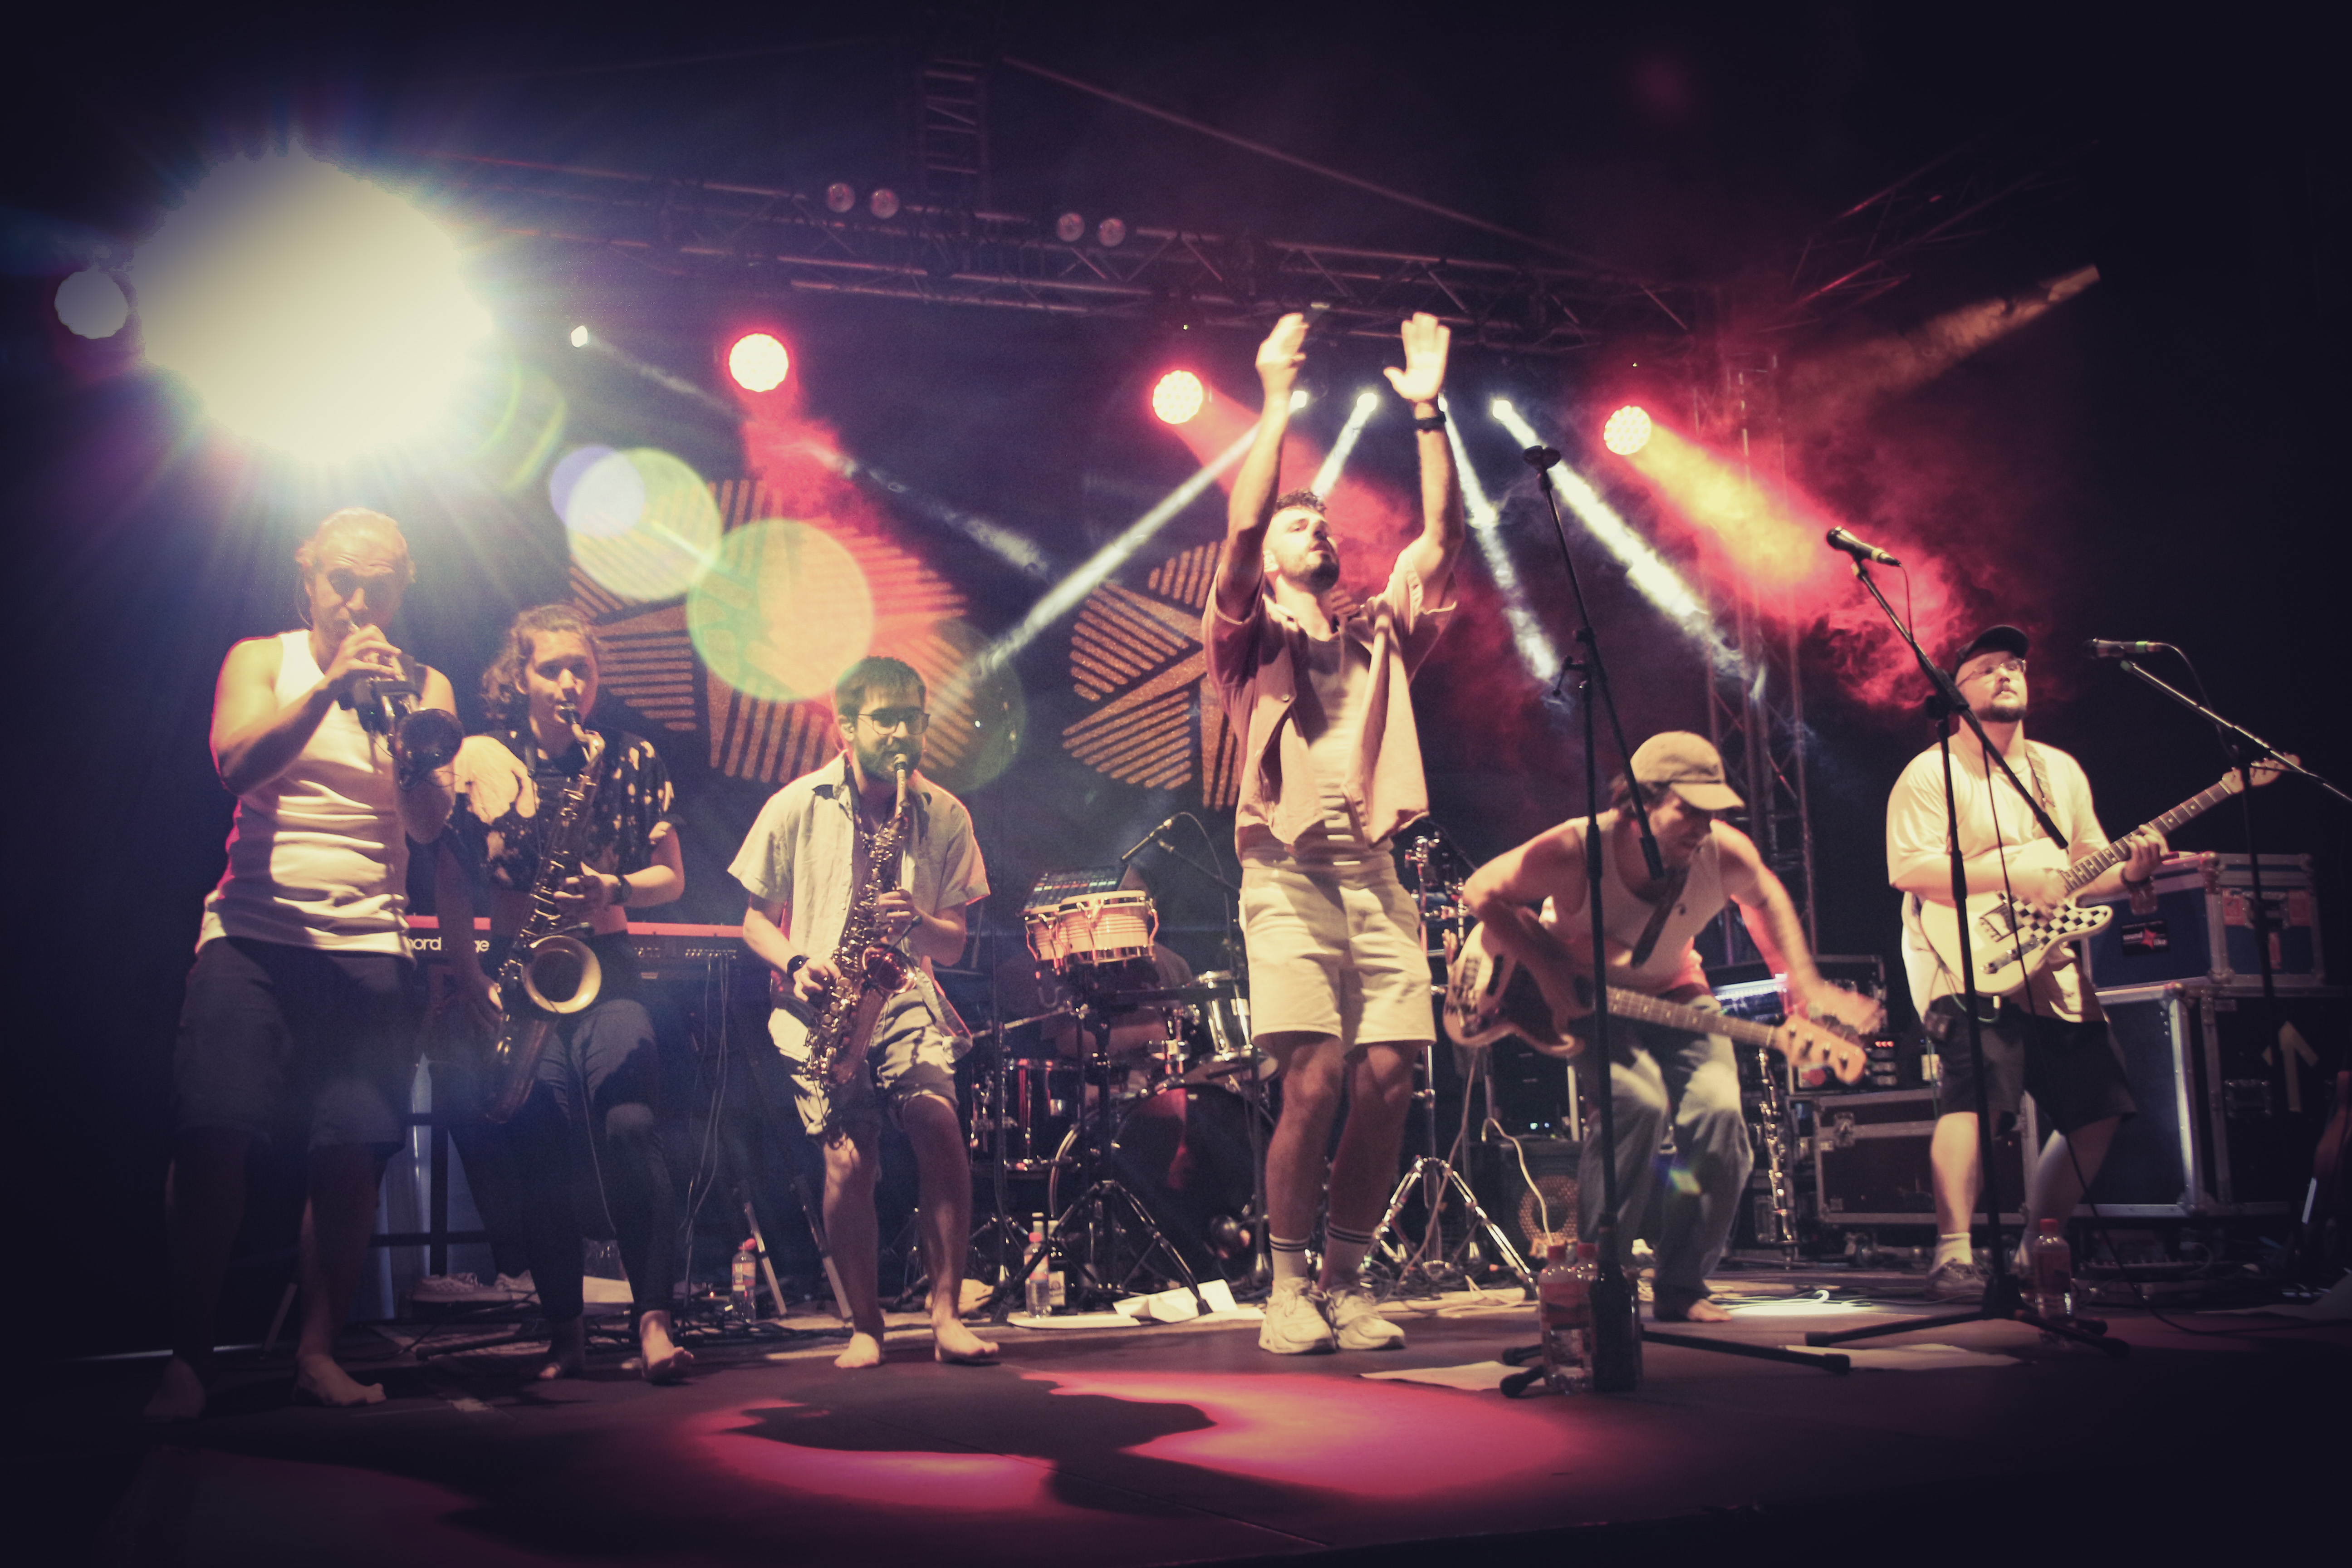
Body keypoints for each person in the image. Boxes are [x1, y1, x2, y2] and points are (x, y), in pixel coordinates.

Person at [146, 508, 457, 1421]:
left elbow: (430, 827)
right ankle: (187, 1359)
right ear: (311, 582)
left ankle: (318, 1353)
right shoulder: (262, 659)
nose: (359, 601)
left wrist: (406, 745)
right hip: (251, 936)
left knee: (351, 1154)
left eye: (379, 586)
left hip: (370, 944)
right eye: (342, 582)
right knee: (213, 1138)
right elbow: (235, 764)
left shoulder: (424, 683)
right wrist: (328, 689)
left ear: (401, 590)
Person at [1203, 311, 1464, 1354]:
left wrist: (1428, 412)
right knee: (1311, 1076)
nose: (1319, 531)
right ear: (1270, 563)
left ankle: (1348, 1282)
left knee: (1391, 1080)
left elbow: (1443, 541)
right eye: (1297, 527)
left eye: (1324, 524)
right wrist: (1273, 401)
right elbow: (1239, 531)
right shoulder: (1244, 636)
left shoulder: (1378, 630)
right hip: (1286, 877)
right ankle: (1285, 1288)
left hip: (1378, 876)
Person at [1462, 733, 1877, 1321]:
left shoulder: (1723, 852)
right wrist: (1549, 969)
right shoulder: (1576, 848)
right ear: (1638, 804)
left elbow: (1765, 898)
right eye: (1690, 810)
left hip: (1675, 991)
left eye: (1713, 811)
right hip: (1586, 998)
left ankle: (1681, 1285)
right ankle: (1599, 1277)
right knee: (1638, 1103)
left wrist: (1805, 991)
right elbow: (1481, 890)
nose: (1704, 826)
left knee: (1720, 1114)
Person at [436, 604, 690, 1380]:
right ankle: (565, 1335)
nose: (570, 682)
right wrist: (470, 972)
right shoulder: (482, 760)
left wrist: (614, 886)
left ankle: (654, 1322)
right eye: (552, 668)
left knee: (632, 1125)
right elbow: (451, 876)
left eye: (582, 668)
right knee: (539, 1149)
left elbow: (672, 877)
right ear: (521, 678)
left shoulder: (629, 757)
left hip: (604, 963)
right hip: (520, 969)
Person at [731, 656, 997, 1367]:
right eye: (886, 719)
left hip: (904, 991)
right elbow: (754, 921)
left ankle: (946, 1316)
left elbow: (954, 941)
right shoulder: (795, 804)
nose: (903, 733)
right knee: (850, 1162)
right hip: (822, 1003)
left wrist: (917, 922)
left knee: (939, 1126)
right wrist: (796, 964)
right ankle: (867, 1325)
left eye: (913, 719)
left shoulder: (945, 813)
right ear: (846, 727)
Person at [1886, 626, 2164, 1302]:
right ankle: (1954, 1255)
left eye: (2014, 665)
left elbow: (2086, 866)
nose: (2006, 675)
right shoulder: (1932, 772)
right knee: (1978, 1098)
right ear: (1958, 692)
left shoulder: (2059, 770)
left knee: (2100, 1107)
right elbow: (1911, 870)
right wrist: (2015, 875)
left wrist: (2131, 872)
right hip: (1964, 959)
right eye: (1987, 669)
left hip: (2049, 963)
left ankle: (2036, 1250)